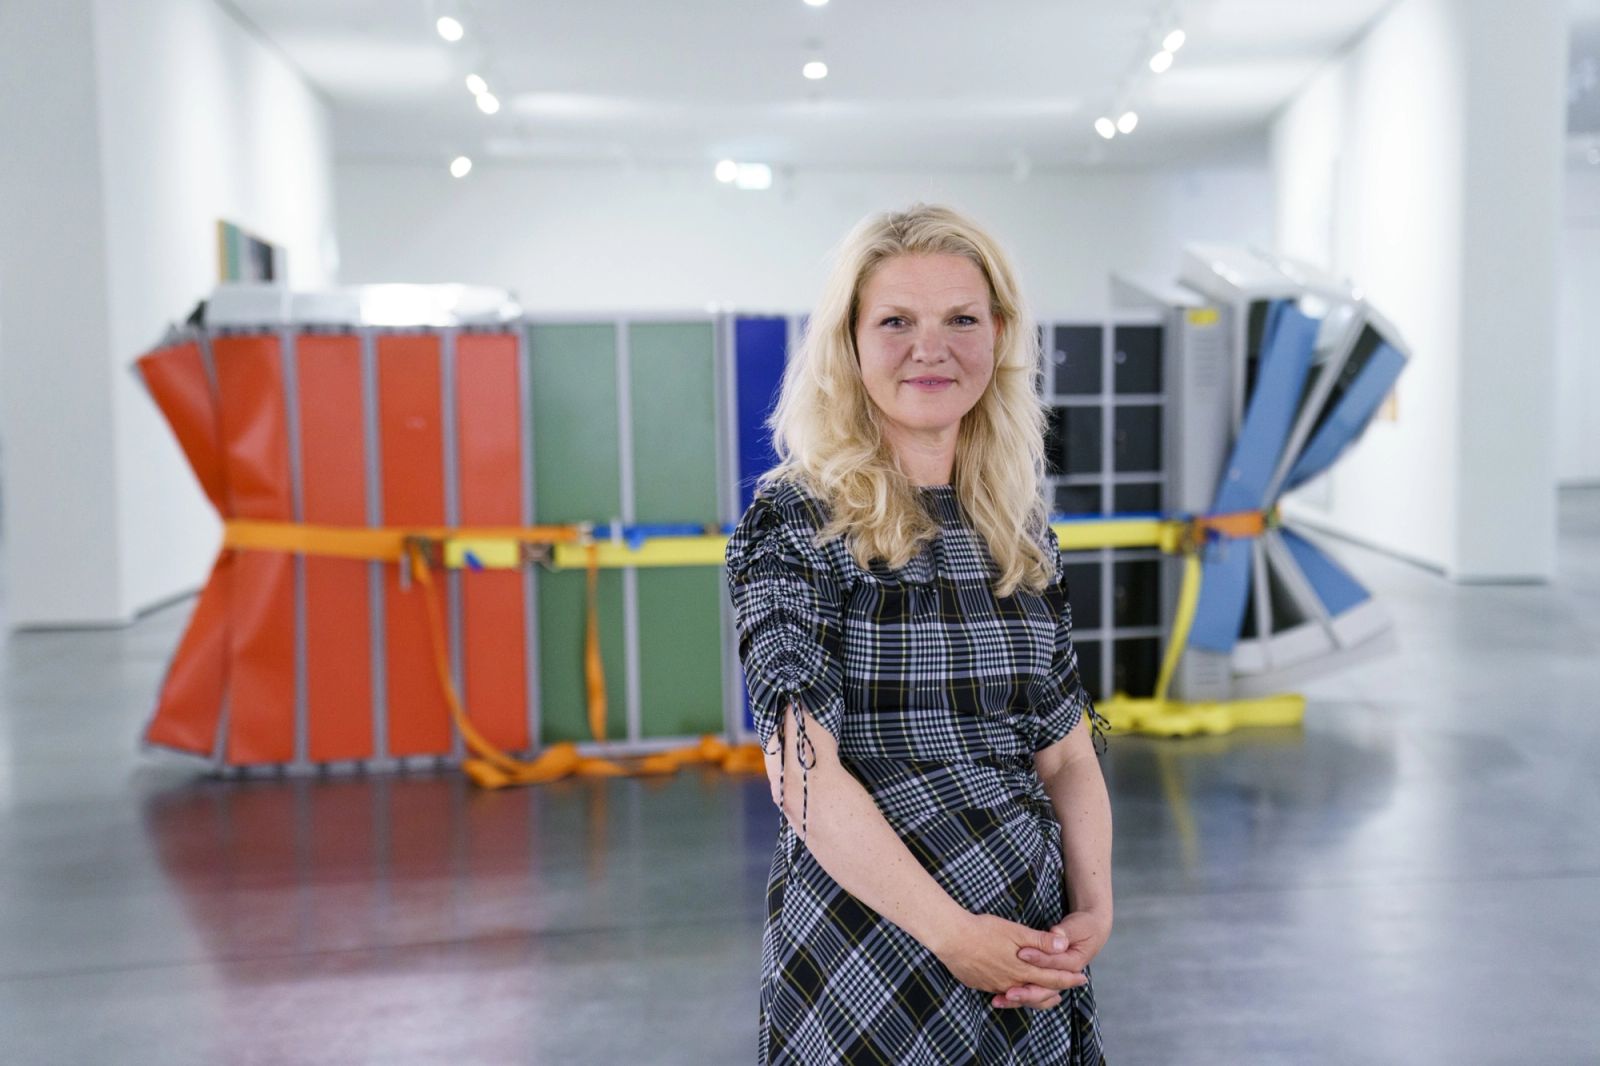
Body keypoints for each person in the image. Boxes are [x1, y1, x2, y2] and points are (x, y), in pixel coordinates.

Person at [724, 203, 1114, 1065]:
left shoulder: (1018, 530)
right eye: (896, 321)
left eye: (960, 320)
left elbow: (1066, 752)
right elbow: (802, 772)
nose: (929, 349)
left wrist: (1093, 906)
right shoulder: (796, 523)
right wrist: (951, 933)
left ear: (999, 336)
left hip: (1027, 960)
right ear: (850, 343)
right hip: (869, 966)